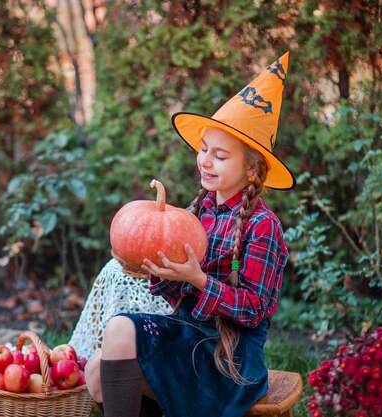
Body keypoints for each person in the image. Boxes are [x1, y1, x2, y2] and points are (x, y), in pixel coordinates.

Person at [84, 52, 295, 417]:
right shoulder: (195, 213)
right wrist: (158, 269)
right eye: (203, 149)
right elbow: (179, 295)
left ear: (251, 170)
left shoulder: (263, 226)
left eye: (221, 155)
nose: (206, 161)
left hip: (230, 363)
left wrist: (197, 279)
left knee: (118, 335)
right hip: (188, 336)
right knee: (95, 370)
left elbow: (253, 310)